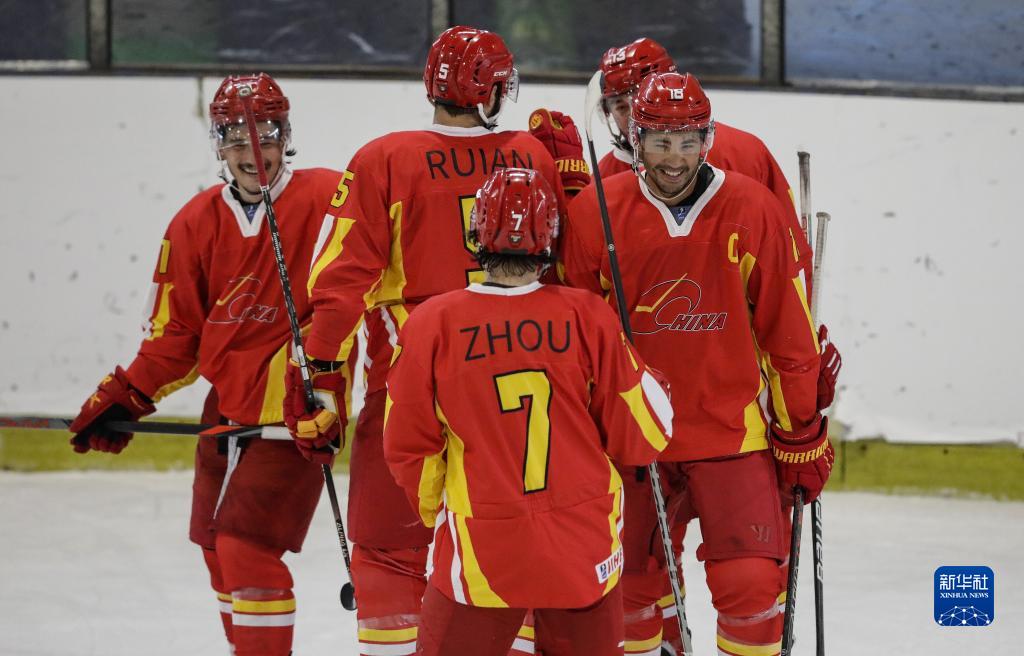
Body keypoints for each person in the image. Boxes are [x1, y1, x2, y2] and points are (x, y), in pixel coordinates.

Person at [289, 26, 567, 656]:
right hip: (515, 394)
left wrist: (320, 381)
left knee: (391, 553)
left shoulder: (383, 159)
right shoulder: (530, 155)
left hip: (409, 387)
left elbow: (339, 285)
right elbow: (572, 276)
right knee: (514, 552)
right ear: (489, 90)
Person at [67, 73, 350, 656]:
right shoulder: (194, 223)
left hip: (297, 409)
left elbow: (367, 284)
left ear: (286, 134)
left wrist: (329, 387)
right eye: (237, 138)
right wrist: (127, 394)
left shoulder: (330, 198)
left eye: (265, 134)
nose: (254, 152)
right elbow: (177, 337)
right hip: (226, 406)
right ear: (218, 144)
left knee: (247, 546)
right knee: (215, 546)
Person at [562, 71, 833, 656]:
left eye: (688, 141)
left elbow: (786, 334)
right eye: (660, 141)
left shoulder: (753, 208)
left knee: (752, 585)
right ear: (636, 139)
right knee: (629, 591)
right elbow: (574, 339)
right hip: (633, 439)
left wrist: (800, 430)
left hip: (731, 434)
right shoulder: (595, 214)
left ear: (708, 139)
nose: (675, 158)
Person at [383, 167, 673, 656]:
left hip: (483, 543)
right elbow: (644, 436)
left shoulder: (430, 322)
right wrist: (656, 383)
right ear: (550, 238)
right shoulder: (588, 315)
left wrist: (443, 509)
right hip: (583, 545)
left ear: (476, 231)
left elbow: (407, 444)